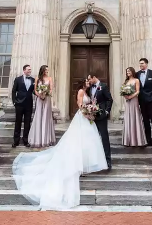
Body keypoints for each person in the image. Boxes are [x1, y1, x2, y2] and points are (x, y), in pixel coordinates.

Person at [12, 78, 108, 209]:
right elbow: (80, 105)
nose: (88, 83)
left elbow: (88, 104)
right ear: (82, 84)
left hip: (88, 119)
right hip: (82, 118)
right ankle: (79, 165)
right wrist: (88, 113)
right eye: (86, 82)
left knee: (87, 142)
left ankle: (85, 164)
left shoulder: (88, 92)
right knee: (79, 141)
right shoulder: (81, 91)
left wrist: (92, 112)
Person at [87, 73, 113, 170]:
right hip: (91, 116)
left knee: (104, 137)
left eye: (90, 79)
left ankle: (108, 160)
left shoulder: (103, 86)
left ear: (94, 77)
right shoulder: (89, 88)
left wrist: (106, 111)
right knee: (93, 138)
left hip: (101, 115)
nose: (89, 81)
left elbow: (109, 99)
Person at [28, 65, 56, 148]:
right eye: (46, 70)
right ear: (42, 70)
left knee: (46, 117)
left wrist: (47, 93)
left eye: (48, 69)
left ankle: (46, 139)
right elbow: (35, 89)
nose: (47, 71)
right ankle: (37, 139)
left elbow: (51, 89)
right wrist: (39, 95)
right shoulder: (37, 78)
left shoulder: (50, 78)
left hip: (47, 99)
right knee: (39, 116)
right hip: (40, 99)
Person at [121, 66, 147, 147]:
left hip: (134, 100)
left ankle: (137, 140)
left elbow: (138, 91)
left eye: (129, 71)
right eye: (127, 71)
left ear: (132, 71)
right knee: (128, 117)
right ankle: (128, 140)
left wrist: (131, 96)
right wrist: (125, 96)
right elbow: (123, 91)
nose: (128, 72)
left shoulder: (136, 80)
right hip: (127, 101)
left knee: (134, 116)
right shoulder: (126, 81)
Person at [11, 65, 35, 148]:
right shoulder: (18, 79)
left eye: (30, 70)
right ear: (24, 70)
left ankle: (26, 141)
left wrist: (42, 92)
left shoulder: (33, 80)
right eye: (28, 69)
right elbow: (14, 91)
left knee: (27, 123)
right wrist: (14, 102)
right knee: (18, 122)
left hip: (29, 104)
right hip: (19, 104)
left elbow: (34, 92)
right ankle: (16, 141)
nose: (30, 71)